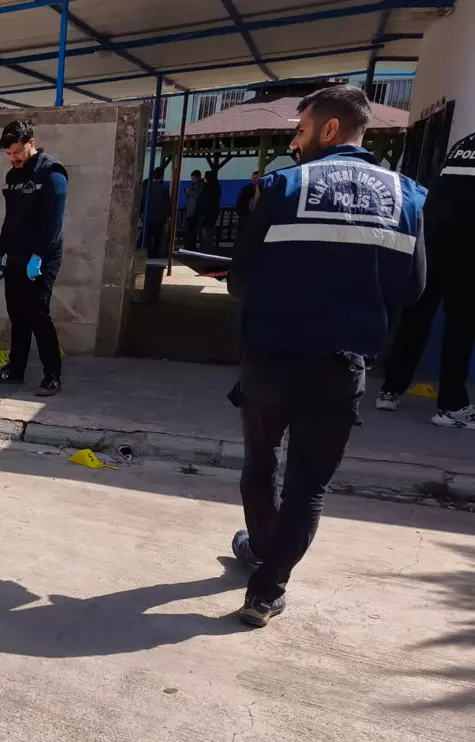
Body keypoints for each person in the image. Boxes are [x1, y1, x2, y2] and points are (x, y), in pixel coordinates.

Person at [227, 85, 427, 628]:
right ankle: (267, 589)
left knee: (260, 462)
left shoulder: (283, 186)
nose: (295, 141)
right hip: (340, 365)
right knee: (308, 483)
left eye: (300, 130)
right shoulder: (407, 195)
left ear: (330, 129)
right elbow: (414, 289)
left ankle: (266, 546)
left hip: (271, 358)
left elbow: (240, 280)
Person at [376, 130, 475, 429]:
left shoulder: (464, 143)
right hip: (467, 251)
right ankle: (452, 406)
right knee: (461, 329)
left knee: (415, 319)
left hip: (430, 242)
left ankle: (390, 389)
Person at [0, 119, 69, 396]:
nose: (13, 158)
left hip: (43, 256)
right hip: (17, 255)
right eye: (8, 154)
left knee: (37, 313)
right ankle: (15, 368)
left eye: (17, 152)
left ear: (30, 143)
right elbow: (10, 221)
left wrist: (39, 257)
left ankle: (52, 374)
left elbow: (53, 223)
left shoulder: (52, 173)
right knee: (17, 314)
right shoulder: (13, 177)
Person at [141, 166, 171, 258]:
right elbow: (167, 203)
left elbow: (142, 202)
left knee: (147, 236)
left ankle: (146, 253)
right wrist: (168, 215)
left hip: (148, 216)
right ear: (161, 177)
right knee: (158, 237)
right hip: (159, 218)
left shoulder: (147, 188)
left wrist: (140, 214)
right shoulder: (164, 189)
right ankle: (155, 253)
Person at [197, 170, 222, 252]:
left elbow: (205, 201)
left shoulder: (209, 189)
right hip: (211, 214)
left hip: (207, 214)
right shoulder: (215, 187)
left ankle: (206, 249)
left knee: (206, 232)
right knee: (207, 232)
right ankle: (206, 248)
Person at [235, 171, 259, 237]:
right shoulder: (246, 189)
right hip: (246, 218)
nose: (253, 179)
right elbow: (240, 203)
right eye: (253, 177)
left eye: (256, 177)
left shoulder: (262, 190)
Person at [184, 170, 203, 252]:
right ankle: (189, 245)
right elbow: (189, 199)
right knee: (190, 230)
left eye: (194, 179)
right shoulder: (193, 186)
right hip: (190, 211)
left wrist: (190, 192)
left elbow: (198, 197)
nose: (193, 180)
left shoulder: (201, 186)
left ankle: (192, 246)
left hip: (195, 211)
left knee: (194, 230)